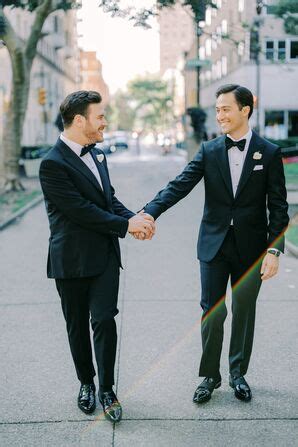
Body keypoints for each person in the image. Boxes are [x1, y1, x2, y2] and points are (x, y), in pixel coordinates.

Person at [138, 84, 289, 404]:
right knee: (212, 311)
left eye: (225, 109)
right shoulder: (209, 151)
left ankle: (238, 373)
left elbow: (278, 207)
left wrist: (274, 250)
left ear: (245, 110)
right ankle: (209, 375)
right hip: (213, 245)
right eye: (217, 109)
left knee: (244, 311)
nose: (219, 115)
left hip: (252, 248)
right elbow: (179, 186)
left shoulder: (270, 152)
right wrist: (149, 212)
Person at [39, 90, 155, 423]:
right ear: (80, 120)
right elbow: (81, 211)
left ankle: (107, 388)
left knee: (104, 319)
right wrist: (126, 224)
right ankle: (86, 383)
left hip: (104, 256)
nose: (105, 122)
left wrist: (137, 219)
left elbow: (107, 201)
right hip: (71, 260)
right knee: (76, 325)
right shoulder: (52, 163)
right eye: (100, 116)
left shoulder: (99, 155)